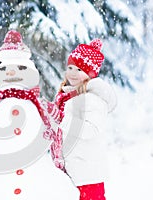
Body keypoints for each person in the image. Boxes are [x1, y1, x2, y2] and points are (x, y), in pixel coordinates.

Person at [54, 39, 117, 200]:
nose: (73, 73)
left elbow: (91, 130)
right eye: (70, 68)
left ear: (90, 74)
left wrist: (61, 118)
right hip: (69, 171)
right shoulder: (65, 97)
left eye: (79, 69)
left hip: (87, 173)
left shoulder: (94, 99)